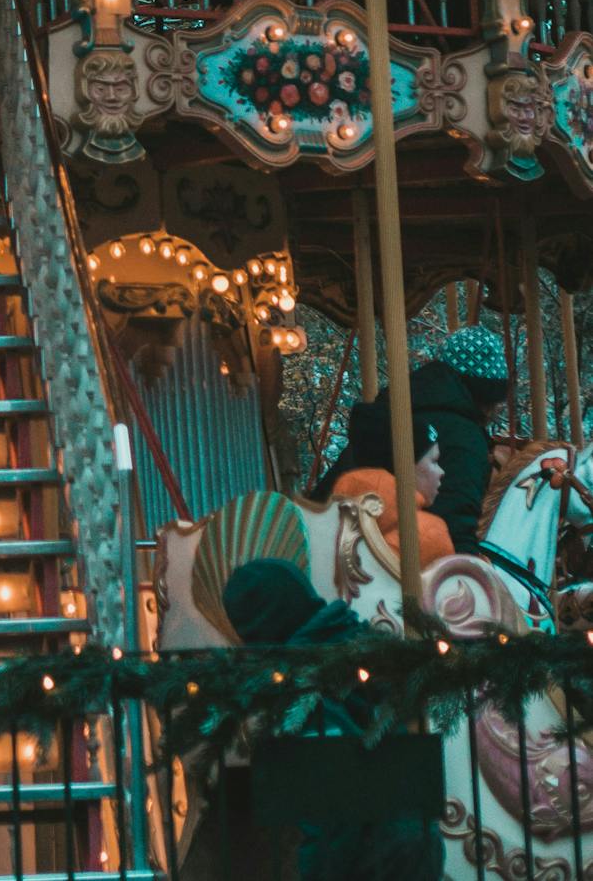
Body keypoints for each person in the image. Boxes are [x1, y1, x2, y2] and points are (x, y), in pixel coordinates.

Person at [221, 560, 445, 881]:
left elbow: (333, 815)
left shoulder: (304, 689)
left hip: (372, 859)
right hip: (417, 842)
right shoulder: (355, 645)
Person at [317, 325, 510, 555]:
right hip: (384, 567)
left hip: (326, 544)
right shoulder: (463, 437)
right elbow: (455, 519)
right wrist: (471, 573)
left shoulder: (392, 413)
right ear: (486, 395)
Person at [329, 403, 455, 566]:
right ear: (405, 467)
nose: (441, 472)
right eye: (434, 461)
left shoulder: (333, 515)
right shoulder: (432, 534)